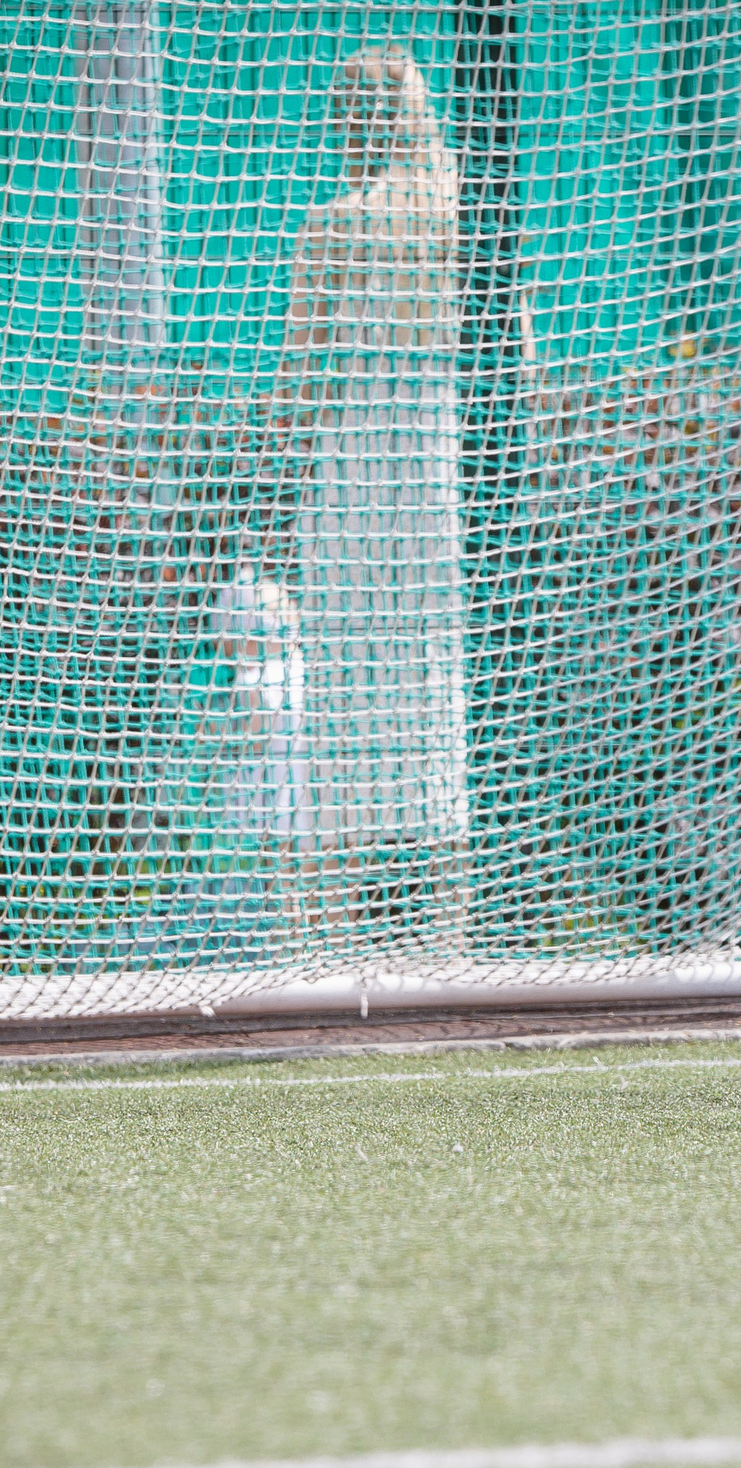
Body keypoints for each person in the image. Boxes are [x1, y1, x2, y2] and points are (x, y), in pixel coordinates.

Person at [283, 41, 469, 932]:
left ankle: (326, 926)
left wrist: (269, 480)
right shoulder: (469, 216)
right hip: (442, 462)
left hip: (356, 469)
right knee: (440, 673)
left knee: (348, 681)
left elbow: (300, 384)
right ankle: (454, 916)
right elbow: (516, 350)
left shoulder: (334, 224)